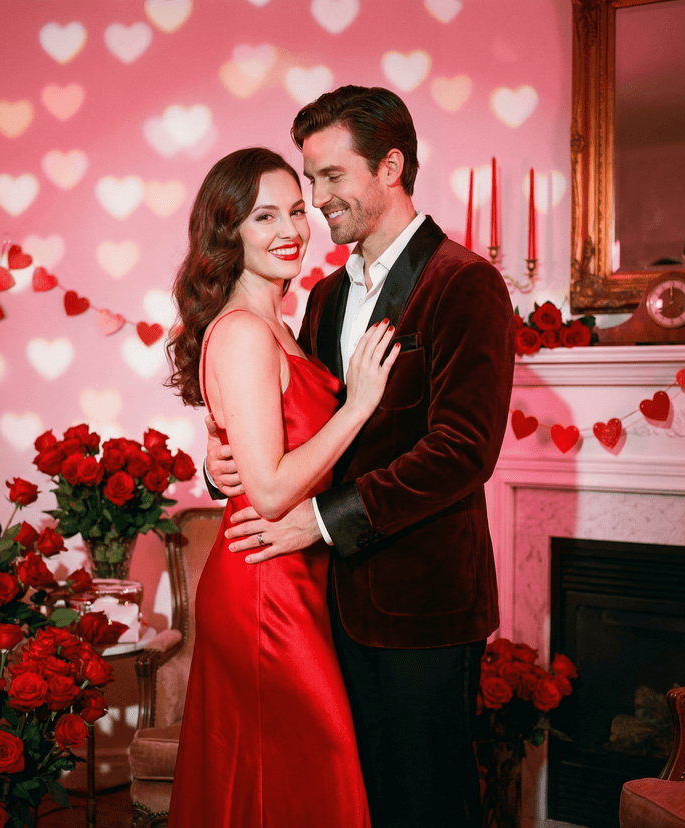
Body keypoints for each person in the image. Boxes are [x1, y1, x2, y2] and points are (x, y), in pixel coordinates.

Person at [206, 86, 516, 827]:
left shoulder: (464, 283)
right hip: (324, 604)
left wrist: (322, 521)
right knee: (354, 805)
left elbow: (461, 451)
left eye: (331, 177)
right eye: (309, 181)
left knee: (428, 803)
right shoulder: (323, 299)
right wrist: (222, 468)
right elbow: (301, 428)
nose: (316, 200)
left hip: (420, 605)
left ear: (391, 167)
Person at [164, 146, 400, 828]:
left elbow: (267, 451)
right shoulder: (242, 333)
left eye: (297, 210)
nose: (290, 228)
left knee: (281, 783)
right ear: (227, 230)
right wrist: (358, 404)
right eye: (264, 215)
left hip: (299, 574)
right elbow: (267, 492)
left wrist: (219, 463)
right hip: (265, 582)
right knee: (315, 769)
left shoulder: (286, 328)